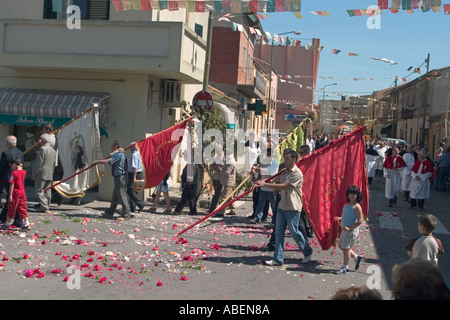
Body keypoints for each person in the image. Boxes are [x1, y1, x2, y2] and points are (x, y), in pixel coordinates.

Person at [257, 150, 313, 266]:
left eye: (287, 158)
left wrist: (267, 185)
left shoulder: (296, 173)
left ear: (294, 159)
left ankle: (307, 251)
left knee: (294, 232)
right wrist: (264, 181)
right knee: (279, 232)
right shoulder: (284, 172)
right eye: (284, 158)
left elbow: (284, 186)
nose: (285, 161)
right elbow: (277, 180)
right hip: (282, 206)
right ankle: (278, 258)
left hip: (293, 206)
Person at [93, 141, 131, 220]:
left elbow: (108, 161)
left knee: (122, 195)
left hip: (120, 177)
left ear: (116, 146)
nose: (111, 149)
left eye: (112, 147)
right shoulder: (121, 153)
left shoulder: (118, 154)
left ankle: (126, 215)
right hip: (119, 177)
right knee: (115, 196)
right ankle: (110, 212)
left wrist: (97, 162)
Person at [334, 185, 364, 274]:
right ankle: (356, 257)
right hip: (344, 230)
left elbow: (360, 220)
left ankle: (345, 268)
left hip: (351, 231)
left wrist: (350, 227)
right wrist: (340, 218)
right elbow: (346, 215)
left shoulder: (357, 206)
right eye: (350, 193)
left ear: (357, 195)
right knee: (341, 246)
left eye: (354, 194)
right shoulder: (347, 204)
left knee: (346, 249)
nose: (352, 196)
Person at [249, 148, 278, 224]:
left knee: (274, 205)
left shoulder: (275, 163)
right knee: (260, 204)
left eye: (269, 154)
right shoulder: (263, 162)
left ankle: (275, 221)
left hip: (271, 187)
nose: (267, 156)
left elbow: (269, 171)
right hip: (263, 187)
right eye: (266, 154)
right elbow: (258, 170)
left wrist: (258, 169)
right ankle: (257, 218)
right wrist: (253, 172)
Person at [0, 136, 24, 227]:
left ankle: (17, 220)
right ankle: (4, 217)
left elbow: (2, 167)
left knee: (10, 199)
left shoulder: (6, 153)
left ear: (7, 143)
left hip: (8, 178)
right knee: (13, 199)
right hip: (19, 178)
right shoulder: (20, 152)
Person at [1, 156, 30, 230]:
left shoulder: (14, 173)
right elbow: (21, 169)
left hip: (15, 193)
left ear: (13, 164)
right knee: (22, 207)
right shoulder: (24, 172)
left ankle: (7, 224)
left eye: (11, 166)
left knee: (11, 207)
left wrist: (10, 195)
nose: (11, 167)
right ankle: (26, 223)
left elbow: (12, 184)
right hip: (22, 192)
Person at [31, 133, 57, 214]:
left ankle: (44, 206)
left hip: (42, 173)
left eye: (40, 139)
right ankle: (47, 205)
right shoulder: (53, 150)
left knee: (39, 190)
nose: (39, 141)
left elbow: (39, 163)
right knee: (47, 190)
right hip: (49, 173)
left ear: (43, 140)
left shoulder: (43, 149)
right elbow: (54, 163)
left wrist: (34, 173)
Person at [126, 143, 147, 213]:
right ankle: (132, 207)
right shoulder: (138, 153)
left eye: (130, 147)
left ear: (132, 147)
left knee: (130, 190)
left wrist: (134, 177)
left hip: (134, 174)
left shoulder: (134, 155)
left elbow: (135, 167)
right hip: (139, 173)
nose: (129, 149)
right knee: (134, 190)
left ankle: (141, 204)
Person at [216, 150, 237, 217]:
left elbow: (227, 172)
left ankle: (221, 211)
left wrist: (220, 170)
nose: (224, 154)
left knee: (224, 196)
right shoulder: (228, 159)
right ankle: (233, 210)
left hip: (228, 181)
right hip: (227, 181)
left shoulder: (230, 161)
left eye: (225, 153)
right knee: (230, 196)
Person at [208, 144, 224, 214]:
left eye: (218, 150)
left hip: (222, 178)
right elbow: (211, 166)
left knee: (219, 193)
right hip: (216, 177)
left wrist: (218, 167)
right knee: (217, 193)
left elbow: (224, 167)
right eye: (216, 150)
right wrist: (216, 167)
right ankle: (213, 208)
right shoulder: (215, 157)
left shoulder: (224, 157)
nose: (217, 152)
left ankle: (213, 208)